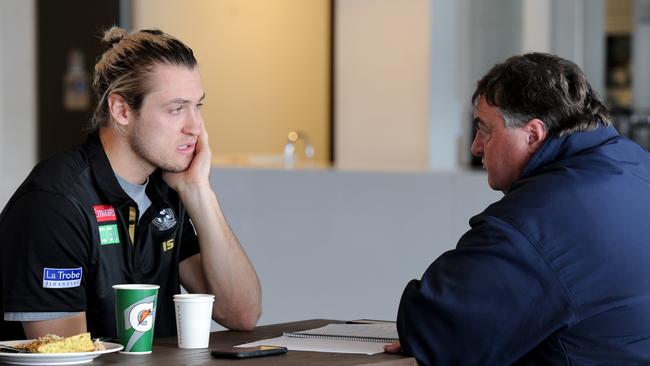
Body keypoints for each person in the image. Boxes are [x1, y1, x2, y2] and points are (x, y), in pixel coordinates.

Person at [384, 53, 650, 364]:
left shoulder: (535, 222)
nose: (476, 147)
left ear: (533, 135)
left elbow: (436, 330)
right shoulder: (638, 167)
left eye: (485, 129)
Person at [0, 27, 261, 341]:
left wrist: (198, 191)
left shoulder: (165, 188)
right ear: (122, 110)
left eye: (197, 106)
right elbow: (64, 356)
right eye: (177, 109)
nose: (195, 127)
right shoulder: (55, 204)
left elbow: (240, 313)